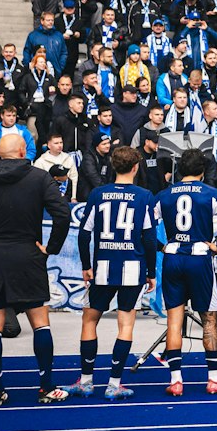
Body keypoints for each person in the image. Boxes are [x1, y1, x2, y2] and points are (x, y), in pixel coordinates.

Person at [0, 134, 72, 405]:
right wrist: (50, 248)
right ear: (22, 152)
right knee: (40, 323)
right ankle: (46, 387)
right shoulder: (39, 178)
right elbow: (63, 214)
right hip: (28, 256)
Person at [72, 145, 157, 400]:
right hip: (132, 267)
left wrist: (86, 266)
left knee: (89, 320)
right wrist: (151, 271)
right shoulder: (144, 196)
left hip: (103, 267)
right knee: (126, 323)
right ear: (135, 167)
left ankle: (86, 381)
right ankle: (114, 384)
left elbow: (84, 234)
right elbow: (149, 238)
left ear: (112, 165)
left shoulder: (98, 194)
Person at [156, 149, 217, 395]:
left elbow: (145, 226)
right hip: (199, 258)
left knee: (174, 321)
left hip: (173, 256)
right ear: (203, 172)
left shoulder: (164, 194)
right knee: (209, 319)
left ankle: (175, 381)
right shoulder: (210, 193)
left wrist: (161, 246)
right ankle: (214, 378)